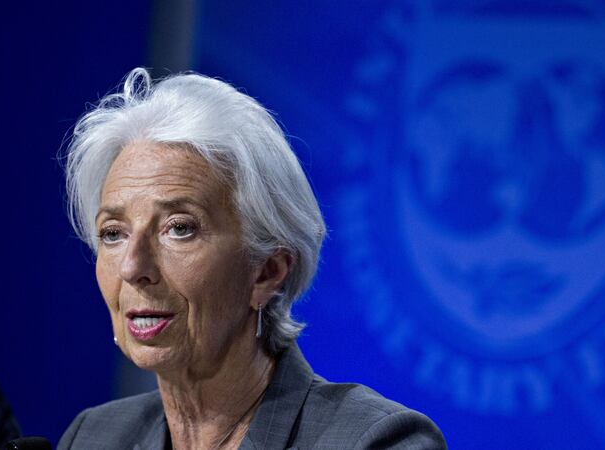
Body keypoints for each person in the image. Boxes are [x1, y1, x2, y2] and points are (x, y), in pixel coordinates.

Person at [56, 68, 446, 450]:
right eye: (113, 234)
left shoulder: (374, 441)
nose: (132, 267)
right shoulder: (94, 436)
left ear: (268, 271)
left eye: (179, 228)